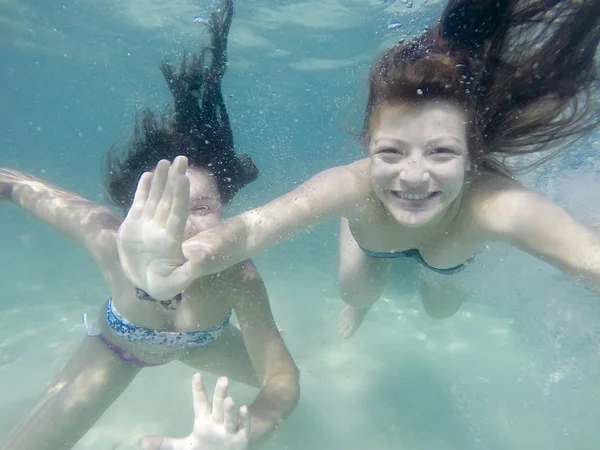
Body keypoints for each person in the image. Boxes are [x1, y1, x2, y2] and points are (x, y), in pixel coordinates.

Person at [116, 0, 600, 341]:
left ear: (473, 154)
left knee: (439, 309)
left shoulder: (498, 205)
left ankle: (424, 264)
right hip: (375, 229)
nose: (413, 176)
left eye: (441, 153)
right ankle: (358, 240)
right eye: (390, 153)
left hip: (452, 250)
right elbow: (251, 230)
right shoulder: (349, 185)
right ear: (367, 145)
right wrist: (178, 264)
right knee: (356, 290)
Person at [0, 1, 299, 449]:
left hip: (204, 344)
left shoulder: (239, 274)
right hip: (120, 348)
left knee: (289, 393)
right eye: (163, 208)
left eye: (198, 209)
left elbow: (281, 378)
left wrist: (244, 432)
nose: (180, 228)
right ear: (130, 212)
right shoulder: (108, 238)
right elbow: (23, 188)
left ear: (225, 210)